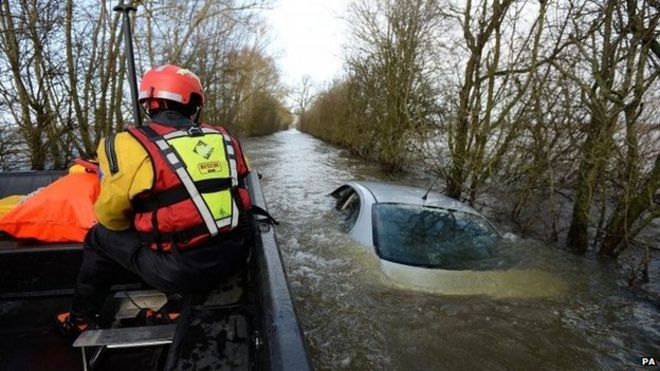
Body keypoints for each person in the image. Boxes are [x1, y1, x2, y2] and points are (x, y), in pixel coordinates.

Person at [56, 64, 253, 337]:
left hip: (180, 271)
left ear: (150, 103)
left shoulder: (127, 145)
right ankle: (174, 305)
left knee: (99, 237)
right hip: (234, 257)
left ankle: (80, 319)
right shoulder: (227, 139)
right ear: (195, 104)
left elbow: (111, 216)